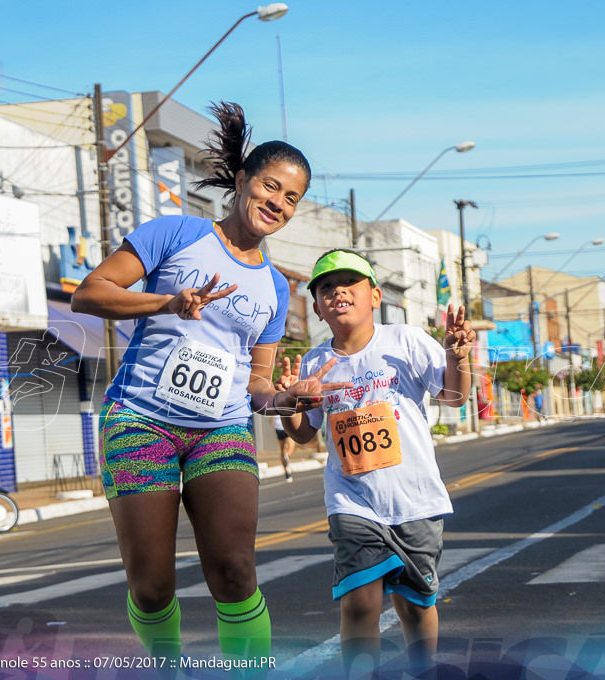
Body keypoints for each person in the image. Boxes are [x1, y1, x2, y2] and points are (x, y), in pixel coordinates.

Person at [71, 102, 346, 665]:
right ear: (242, 180)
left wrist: (286, 397)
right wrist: (167, 301)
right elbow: (89, 293)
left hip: (220, 428)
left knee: (236, 570)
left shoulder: (272, 287)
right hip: (141, 419)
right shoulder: (175, 233)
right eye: (271, 186)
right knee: (152, 586)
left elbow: (258, 385)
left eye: (292, 198)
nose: (279, 203)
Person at [279, 249, 475, 676]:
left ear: (375, 296)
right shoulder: (315, 362)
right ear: (316, 307)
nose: (338, 292)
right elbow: (304, 433)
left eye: (350, 283)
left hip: (414, 501)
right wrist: (291, 404)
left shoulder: (405, 340)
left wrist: (458, 357)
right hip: (352, 502)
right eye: (327, 287)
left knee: (415, 606)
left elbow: (454, 396)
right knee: (359, 606)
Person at [272, 415, 295, 482]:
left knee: (282, 450)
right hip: (286, 426)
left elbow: (271, 419)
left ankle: (287, 473)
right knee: (291, 447)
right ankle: (286, 456)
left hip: (278, 427)